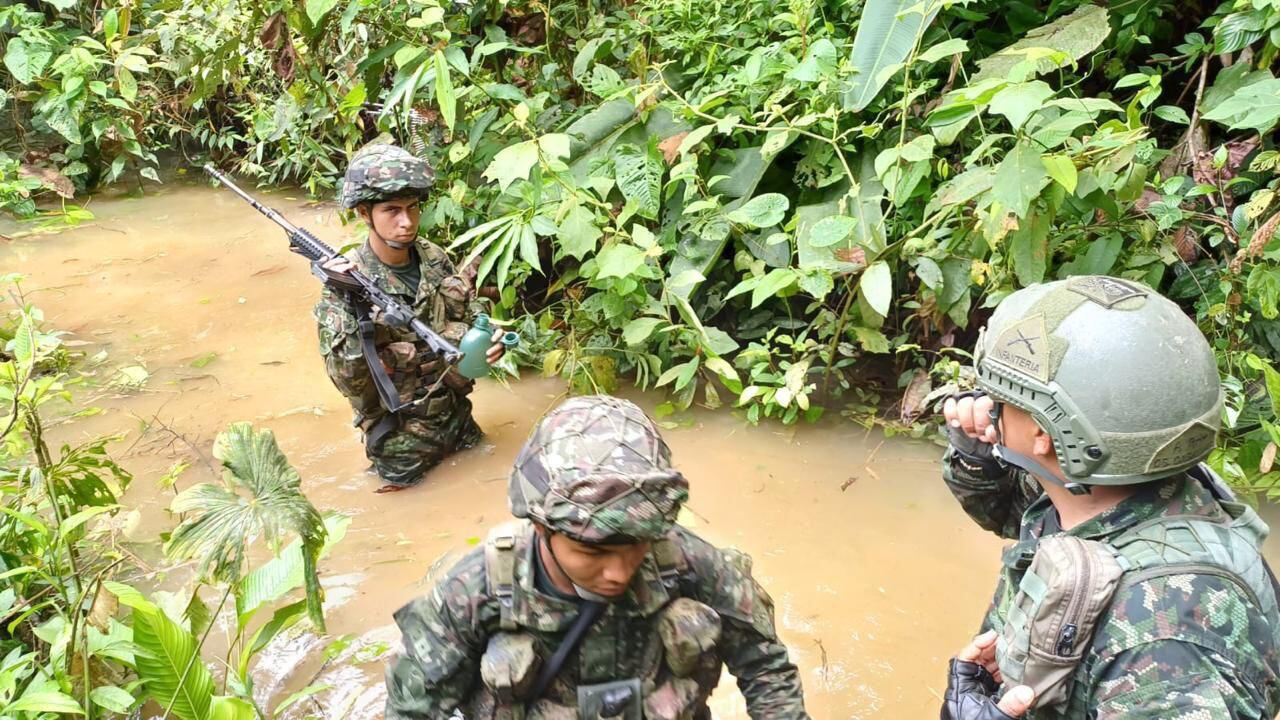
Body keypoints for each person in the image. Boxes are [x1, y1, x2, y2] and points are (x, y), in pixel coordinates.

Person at [939, 274, 1280, 719]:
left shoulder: (1168, 642)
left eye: (1003, 398)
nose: (987, 404)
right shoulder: (1118, 492)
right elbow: (1015, 512)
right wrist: (983, 453)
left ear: (1044, 434)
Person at [384, 394, 811, 719]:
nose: (618, 572)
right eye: (592, 551)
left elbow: (767, 671)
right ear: (541, 528)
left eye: (636, 545)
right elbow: (413, 708)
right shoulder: (473, 592)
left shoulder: (691, 564)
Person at [313, 143, 504, 491]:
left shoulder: (433, 257)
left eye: (413, 208)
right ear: (363, 213)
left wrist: (488, 340)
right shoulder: (346, 288)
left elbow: (466, 310)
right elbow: (348, 381)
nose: (407, 222)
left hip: (458, 419)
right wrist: (345, 300)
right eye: (392, 211)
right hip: (400, 442)